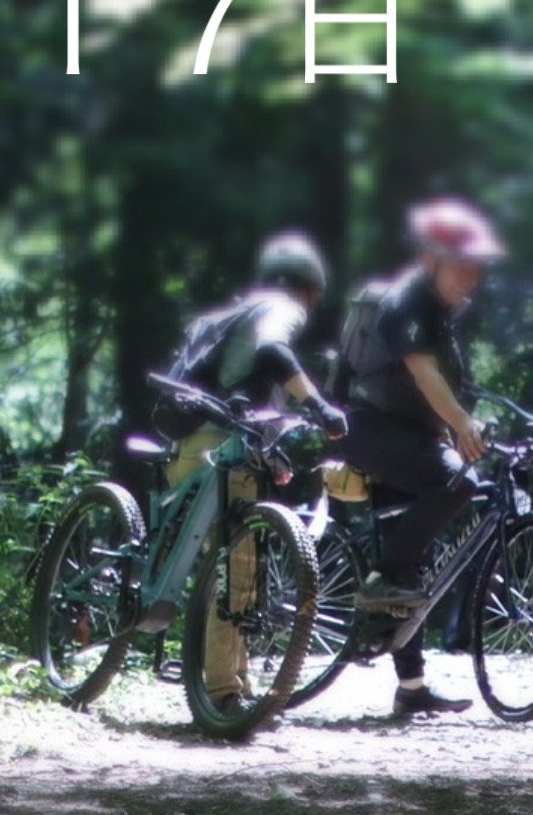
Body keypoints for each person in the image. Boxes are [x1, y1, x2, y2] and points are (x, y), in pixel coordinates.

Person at [330, 198, 507, 716]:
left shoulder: (441, 314)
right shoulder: (407, 304)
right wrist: (462, 424)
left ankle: (411, 688)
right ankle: (379, 578)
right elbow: (424, 375)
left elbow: (438, 390)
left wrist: (456, 429)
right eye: (462, 264)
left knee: (416, 559)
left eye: (478, 266)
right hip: (366, 427)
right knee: (456, 485)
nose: (473, 275)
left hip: (407, 435)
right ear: (430, 258)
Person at [163, 232, 349, 714]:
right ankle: (223, 695)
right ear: (310, 290)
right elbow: (272, 352)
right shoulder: (281, 308)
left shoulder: (232, 315)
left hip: (186, 449)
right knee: (239, 565)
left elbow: (240, 400)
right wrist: (320, 406)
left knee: (230, 561)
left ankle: (238, 681)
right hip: (221, 454)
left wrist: (271, 456)